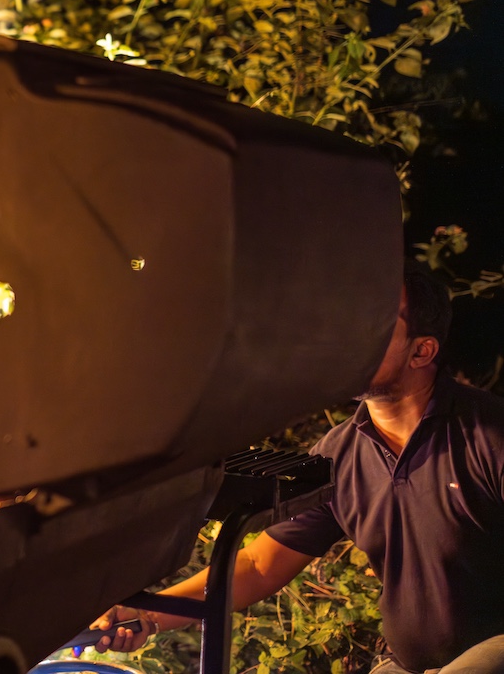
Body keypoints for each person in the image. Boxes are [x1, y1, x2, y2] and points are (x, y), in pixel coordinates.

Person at [89, 263, 504, 673]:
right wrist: (149, 614)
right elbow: (260, 565)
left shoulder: (489, 435)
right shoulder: (340, 454)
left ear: (422, 350)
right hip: (404, 664)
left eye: (376, 321)